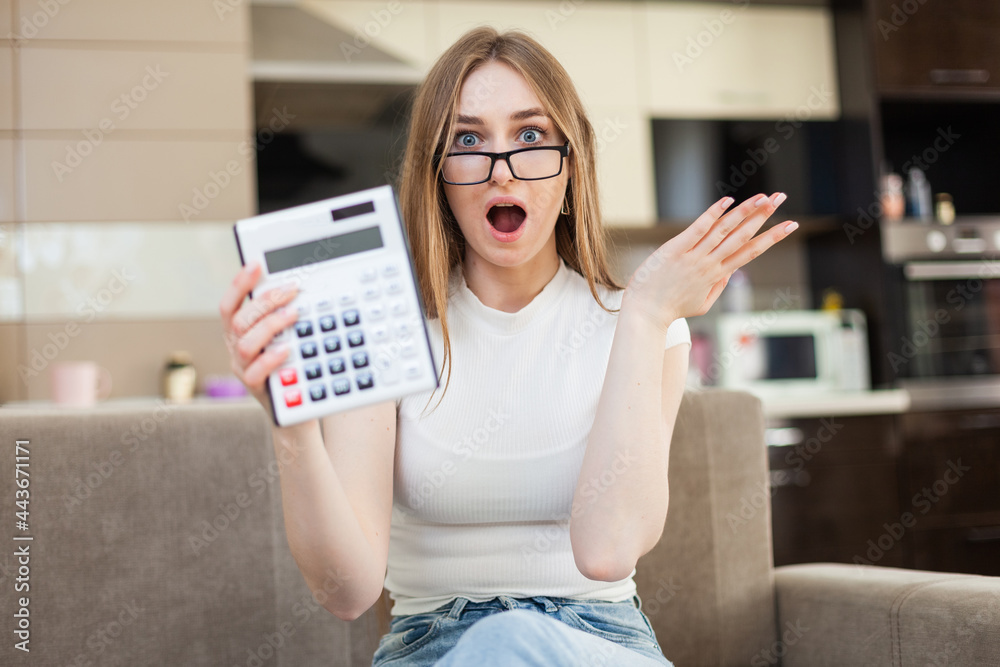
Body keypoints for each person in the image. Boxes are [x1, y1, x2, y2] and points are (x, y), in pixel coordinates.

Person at [218, 27, 797, 667]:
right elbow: (347, 591)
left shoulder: (643, 324)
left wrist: (646, 314)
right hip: (432, 648)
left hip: (599, 643)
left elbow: (607, 553)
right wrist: (291, 426)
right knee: (497, 646)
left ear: (570, 163)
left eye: (529, 136)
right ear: (439, 173)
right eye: (469, 141)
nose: (503, 170)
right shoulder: (388, 328)